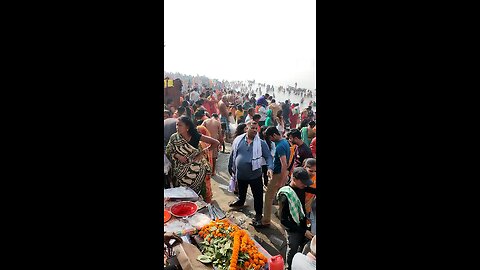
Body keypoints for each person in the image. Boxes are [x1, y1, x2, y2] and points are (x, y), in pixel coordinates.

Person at [228, 120, 274, 224]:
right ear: (246, 128)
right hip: (240, 174)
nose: (254, 130)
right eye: (252, 128)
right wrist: (230, 165)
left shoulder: (261, 143)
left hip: (255, 175)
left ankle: (258, 214)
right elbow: (233, 153)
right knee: (241, 191)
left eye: (256, 128)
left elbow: (268, 157)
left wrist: (270, 168)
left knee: (257, 196)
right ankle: (240, 201)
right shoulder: (238, 140)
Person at [166, 116, 220, 198]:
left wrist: (202, 153)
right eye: (177, 125)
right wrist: (178, 156)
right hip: (180, 172)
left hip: (197, 171)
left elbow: (216, 143)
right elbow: (168, 151)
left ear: (187, 127)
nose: (177, 127)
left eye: (180, 125)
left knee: (196, 195)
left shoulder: (196, 136)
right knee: (182, 194)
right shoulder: (174, 137)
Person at [277, 167, 316, 270]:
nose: (305, 185)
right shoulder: (285, 195)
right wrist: (303, 231)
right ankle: (289, 266)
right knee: (292, 248)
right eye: (303, 182)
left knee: (302, 244)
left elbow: (312, 190)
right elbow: (284, 220)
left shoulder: (301, 187)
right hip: (292, 229)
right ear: (294, 179)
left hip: (302, 223)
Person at [253, 127, 290, 228]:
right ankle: (281, 215)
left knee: (268, 198)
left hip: (278, 174)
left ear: (274, 135)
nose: (270, 141)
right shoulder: (285, 142)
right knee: (280, 196)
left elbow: (284, 163)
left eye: (270, 138)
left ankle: (265, 221)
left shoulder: (280, 147)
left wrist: (281, 181)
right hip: (281, 173)